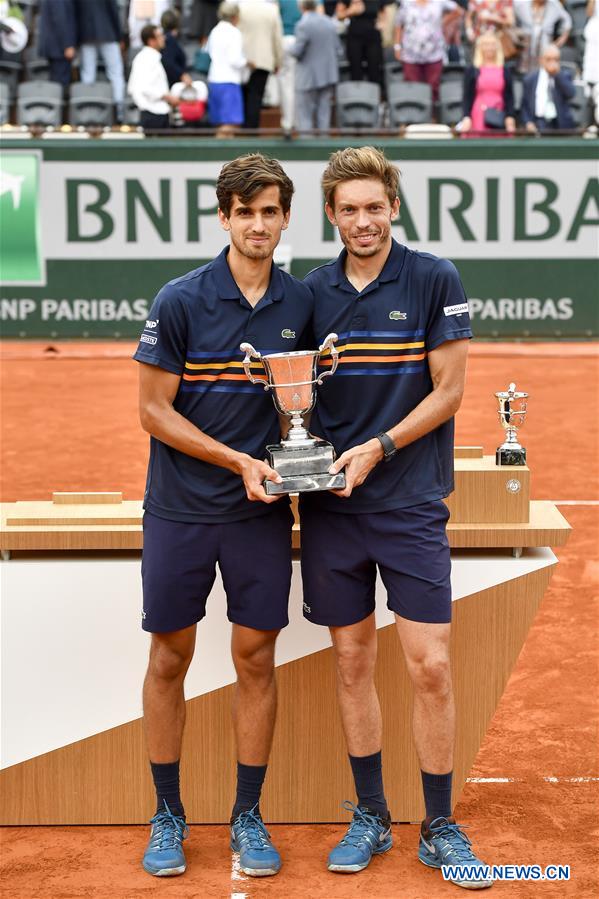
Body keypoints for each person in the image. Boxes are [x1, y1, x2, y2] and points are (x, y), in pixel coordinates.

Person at [299, 146, 492, 890]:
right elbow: (293, 395)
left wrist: (378, 447)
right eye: (347, 209)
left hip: (409, 503)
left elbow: (448, 391)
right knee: (350, 662)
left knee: (430, 666)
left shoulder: (433, 276)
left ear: (393, 208)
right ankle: (372, 814)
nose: (362, 220)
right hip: (331, 511)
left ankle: (438, 822)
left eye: (373, 206)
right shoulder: (309, 292)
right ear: (331, 215)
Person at [133, 153, 314, 879]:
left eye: (269, 210)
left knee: (254, 658)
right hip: (179, 509)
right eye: (245, 212)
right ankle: (168, 812)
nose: (258, 224)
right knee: (170, 656)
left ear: (284, 216)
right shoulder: (178, 299)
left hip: (258, 516)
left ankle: (247, 812)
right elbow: (151, 410)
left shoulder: (302, 304)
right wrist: (236, 460)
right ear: (224, 217)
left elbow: (309, 403)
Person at [394, 0, 463, 103]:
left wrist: (443, 21)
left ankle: (433, 115)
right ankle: (416, 115)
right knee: (413, 87)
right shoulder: (406, 3)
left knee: (433, 86)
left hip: (434, 53)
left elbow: (458, 11)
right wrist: (397, 46)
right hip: (410, 53)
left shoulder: (439, 2)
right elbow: (398, 25)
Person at [292, 0, 341, 132]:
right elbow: (338, 48)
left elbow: (297, 51)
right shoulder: (329, 22)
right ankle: (324, 148)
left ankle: (307, 150)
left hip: (308, 77)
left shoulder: (302, 24)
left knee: (305, 115)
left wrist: (288, 48)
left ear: (301, 7)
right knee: (324, 114)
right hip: (328, 75)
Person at [75, 0, 126, 121]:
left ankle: (88, 112)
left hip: (87, 33)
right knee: (115, 74)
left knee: (88, 74)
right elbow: (114, 12)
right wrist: (120, 36)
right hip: (107, 32)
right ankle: (119, 112)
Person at [237, 0, 284, 129]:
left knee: (244, 96)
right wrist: (278, 61)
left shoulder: (240, 7)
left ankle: (245, 130)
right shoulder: (272, 9)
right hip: (264, 59)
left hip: (243, 59)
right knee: (256, 97)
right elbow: (277, 38)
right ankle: (251, 131)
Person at [459, 31, 516, 133]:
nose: (489, 48)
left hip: (499, 112)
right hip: (478, 113)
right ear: (480, 47)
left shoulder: (505, 70)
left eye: (492, 44)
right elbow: (467, 96)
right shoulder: (472, 70)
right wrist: (466, 116)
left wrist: (510, 116)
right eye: (486, 45)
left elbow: (509, 96)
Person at [127, 24, 179, 131]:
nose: (163, 38)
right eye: (159, 36)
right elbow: (144, 88)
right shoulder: (147, 59)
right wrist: (166, 97)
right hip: (153, 115)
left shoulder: (148, 58)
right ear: (151, 41)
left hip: (157, 112)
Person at [206, 1, 247, 137]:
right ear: (235, 16)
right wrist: (247, 63)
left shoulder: (214, 31)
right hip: (229, 82)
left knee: (220, 124)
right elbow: (235, 60)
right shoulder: (234, 33)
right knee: (230, 125)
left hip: (214, 81)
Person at [521, 42, 576, 131]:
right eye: (549, 59)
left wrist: (557, 74)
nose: (552, 63)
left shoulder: (564, 75)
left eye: (556, 60)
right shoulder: (530, 79)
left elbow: (571, 94)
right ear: (541, 60)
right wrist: (528, 122)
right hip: (539, 123)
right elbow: (525, 106)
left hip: (560, 125)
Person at [514, 0, 571, 72]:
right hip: (525, 47)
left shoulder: (554, 4)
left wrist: (559, 42)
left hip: (545, 46)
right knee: (524, 74)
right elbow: (511, 18)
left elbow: (567, 21)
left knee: (542, 73)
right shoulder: (521, 3)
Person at [336, 0, 384, 86]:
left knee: (374, 69)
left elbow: (382, 11)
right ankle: (357, 95)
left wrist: (381, 22)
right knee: (355, 69)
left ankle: (374, 95)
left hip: (373, 37)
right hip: (355, 37)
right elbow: (339, 15)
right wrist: (351, 11)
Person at [37, 0, 76, 89]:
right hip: (59, 48)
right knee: (59, 84)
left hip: (55, 47)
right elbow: (60, 21)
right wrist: (67, 45)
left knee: (55, 82)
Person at [278, 0, 302, 135]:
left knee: (287, 84)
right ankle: (295, 123)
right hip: (300, 40)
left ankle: (289, 123)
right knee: (296, 85)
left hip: (287, 39)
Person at [160, 8, 192, 88]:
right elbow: (168, 62)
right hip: (174, 84)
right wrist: (182, 75)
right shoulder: (169, 40)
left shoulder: (168, 38)